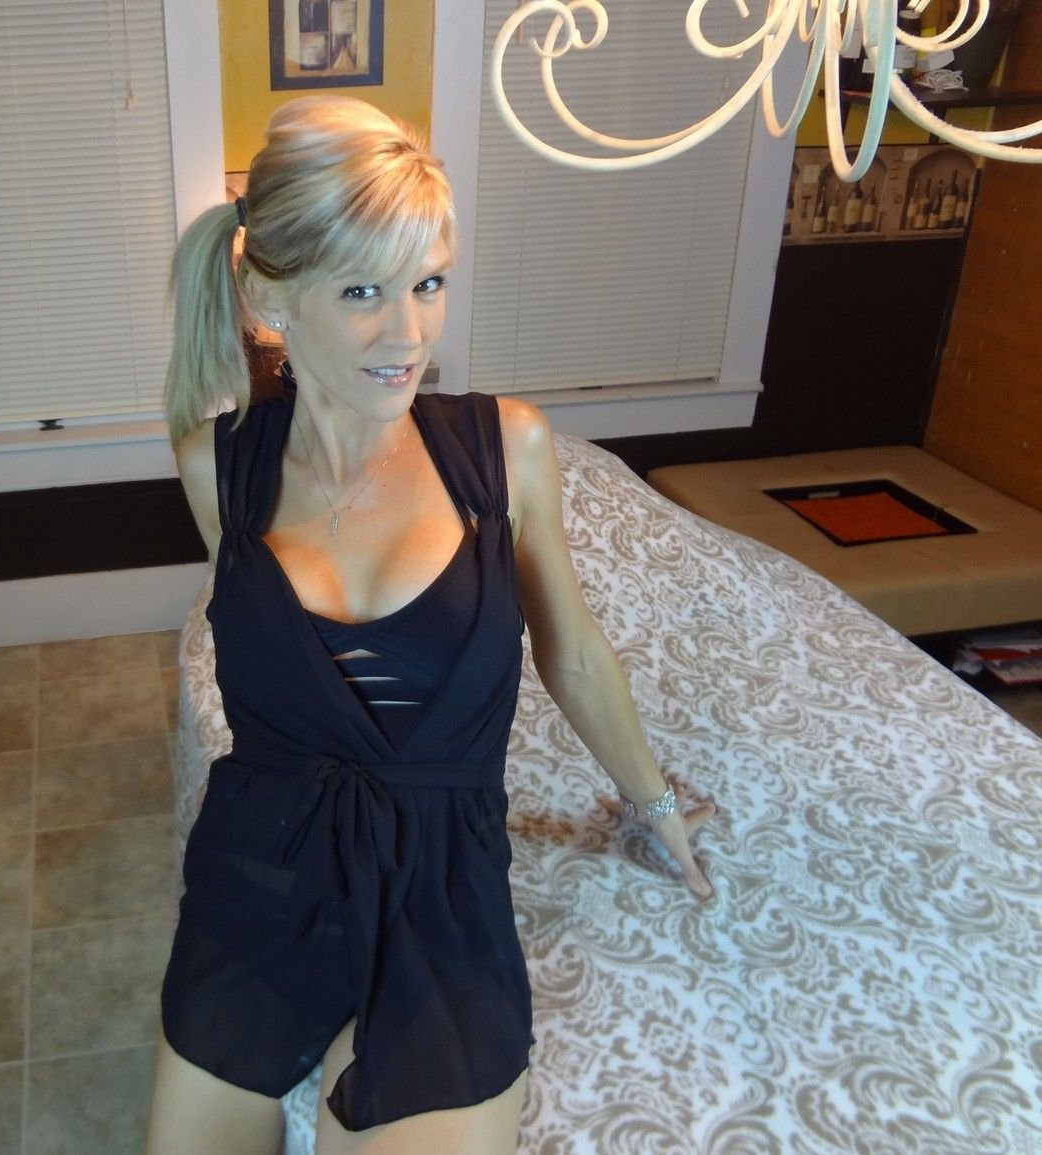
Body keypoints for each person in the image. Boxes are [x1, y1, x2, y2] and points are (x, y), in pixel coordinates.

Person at [146, 95, 716, 1155]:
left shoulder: (507, 451)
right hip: (263, 871)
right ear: (271, 296)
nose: (407, 333)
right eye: (362, 290)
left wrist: (653, 802)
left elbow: (572, 649)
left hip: (445, 894)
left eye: (429, 283)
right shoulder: (214, 468)